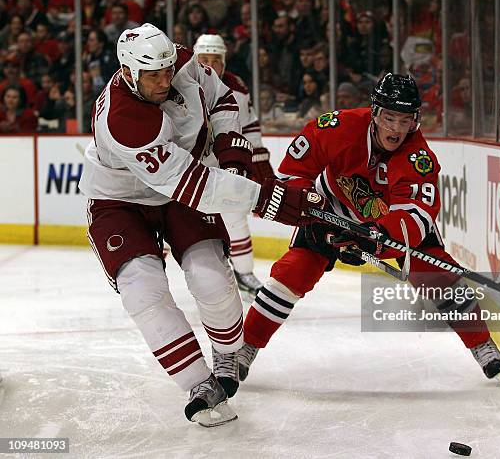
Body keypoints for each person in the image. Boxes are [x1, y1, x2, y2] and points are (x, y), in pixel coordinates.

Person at [78, 23, 325, 427]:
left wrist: (231, 145)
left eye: (166, 70)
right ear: (127, 72)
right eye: (152, 76)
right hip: (120, 200)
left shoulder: (180, 61)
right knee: (143, 290)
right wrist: (268, 198)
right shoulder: (123, 118)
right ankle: (197, 383)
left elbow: (223, 97)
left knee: (210, 277)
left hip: (185, 183)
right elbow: (192, 186)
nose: (163, 80)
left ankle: (227, 353)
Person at [236, 73, 500, 384]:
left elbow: (416, 217)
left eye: (405, 120)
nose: (396, 128)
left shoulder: (420, 158)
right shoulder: (338, 127)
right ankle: (245, 348)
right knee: (292, 273)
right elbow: (292, 174)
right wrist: (311, 212)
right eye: (389, 117)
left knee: (437, 274)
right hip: (330, 209)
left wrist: (374, 242)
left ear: (415, 120)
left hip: (386, 228)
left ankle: (482, 343)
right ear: (375, 112)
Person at [193, 33, 276, 300]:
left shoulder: (236, 88)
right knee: (174, 218)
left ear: (224, 62)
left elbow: (249, 124)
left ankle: (244, 273)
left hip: (224, 162)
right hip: (187, 163)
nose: (208, 66)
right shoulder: (179, 85)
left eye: (214, 61)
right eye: (203, 60)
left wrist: (259, 158)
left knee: (235, 217)